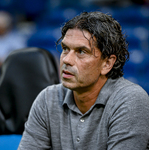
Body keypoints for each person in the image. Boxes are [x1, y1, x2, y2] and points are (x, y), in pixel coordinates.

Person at [18, 11, 149, 149]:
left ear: (107, 64)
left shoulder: (131, 100)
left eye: (81, 51)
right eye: (65, 49)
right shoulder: (47, 98)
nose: (67, 60)